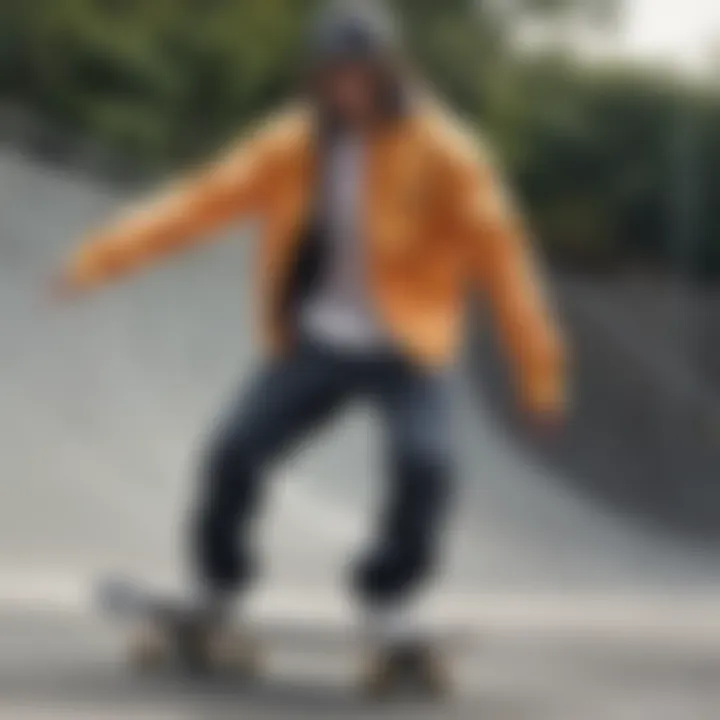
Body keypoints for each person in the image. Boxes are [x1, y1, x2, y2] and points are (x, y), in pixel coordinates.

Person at [54, 1, 567, 650]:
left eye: (360, 74)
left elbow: (505, 259)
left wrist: (540, 373)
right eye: (334, 76)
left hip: (409, 350)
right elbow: (201, 202)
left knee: (426, 465)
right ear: (317, 78)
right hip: (318, 341)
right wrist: (99, 259)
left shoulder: (446, 152)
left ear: (387, 72)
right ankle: (218, 587)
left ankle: (385, 596)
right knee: (233, 454)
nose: (347, 90)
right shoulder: (292, 143)